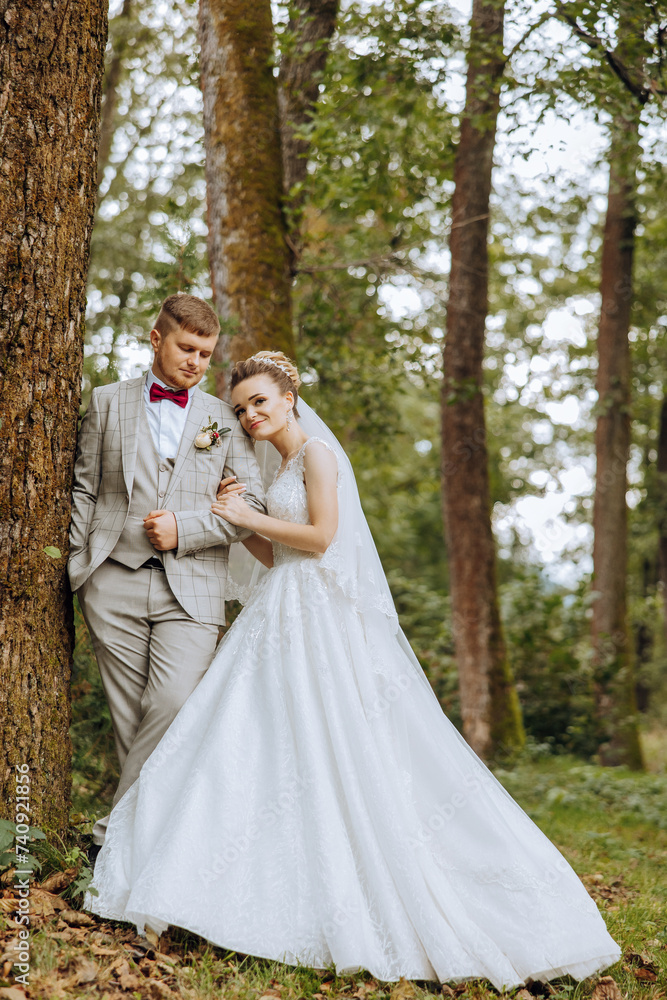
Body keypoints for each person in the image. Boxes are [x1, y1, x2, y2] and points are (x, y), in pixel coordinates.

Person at [86, 351, 621, 988]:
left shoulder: (316, 454)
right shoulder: (281, 463)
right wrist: (236, 516)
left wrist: (246, 514)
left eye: (260, 402)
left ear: (290, 397)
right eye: (240, 408)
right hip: (280, 607)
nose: (249, 415)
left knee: (324, 743)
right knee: (250, 742)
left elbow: (322, 540)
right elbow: (276, 550)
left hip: (313, 616)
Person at [69, 294, 265, 850]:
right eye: (187, 348)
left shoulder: (225, 419)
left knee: (175, 706)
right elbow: (85, 487)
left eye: (206, 353)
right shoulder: (106, 403)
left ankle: (112, 840)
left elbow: (252, 510)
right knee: (132, 720)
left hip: (194, 587)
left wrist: (190, 526)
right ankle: (145, 861)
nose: (197, 363)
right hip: (112, 579)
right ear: (157, 339)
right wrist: (78, 565)